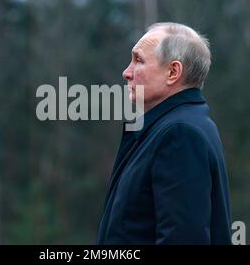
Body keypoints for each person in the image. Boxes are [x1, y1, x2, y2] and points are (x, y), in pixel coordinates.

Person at [96, 22, 232, 244]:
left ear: (173, 72)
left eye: (138, 60)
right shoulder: (175, 126)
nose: (126, 72)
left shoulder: (180, 134)